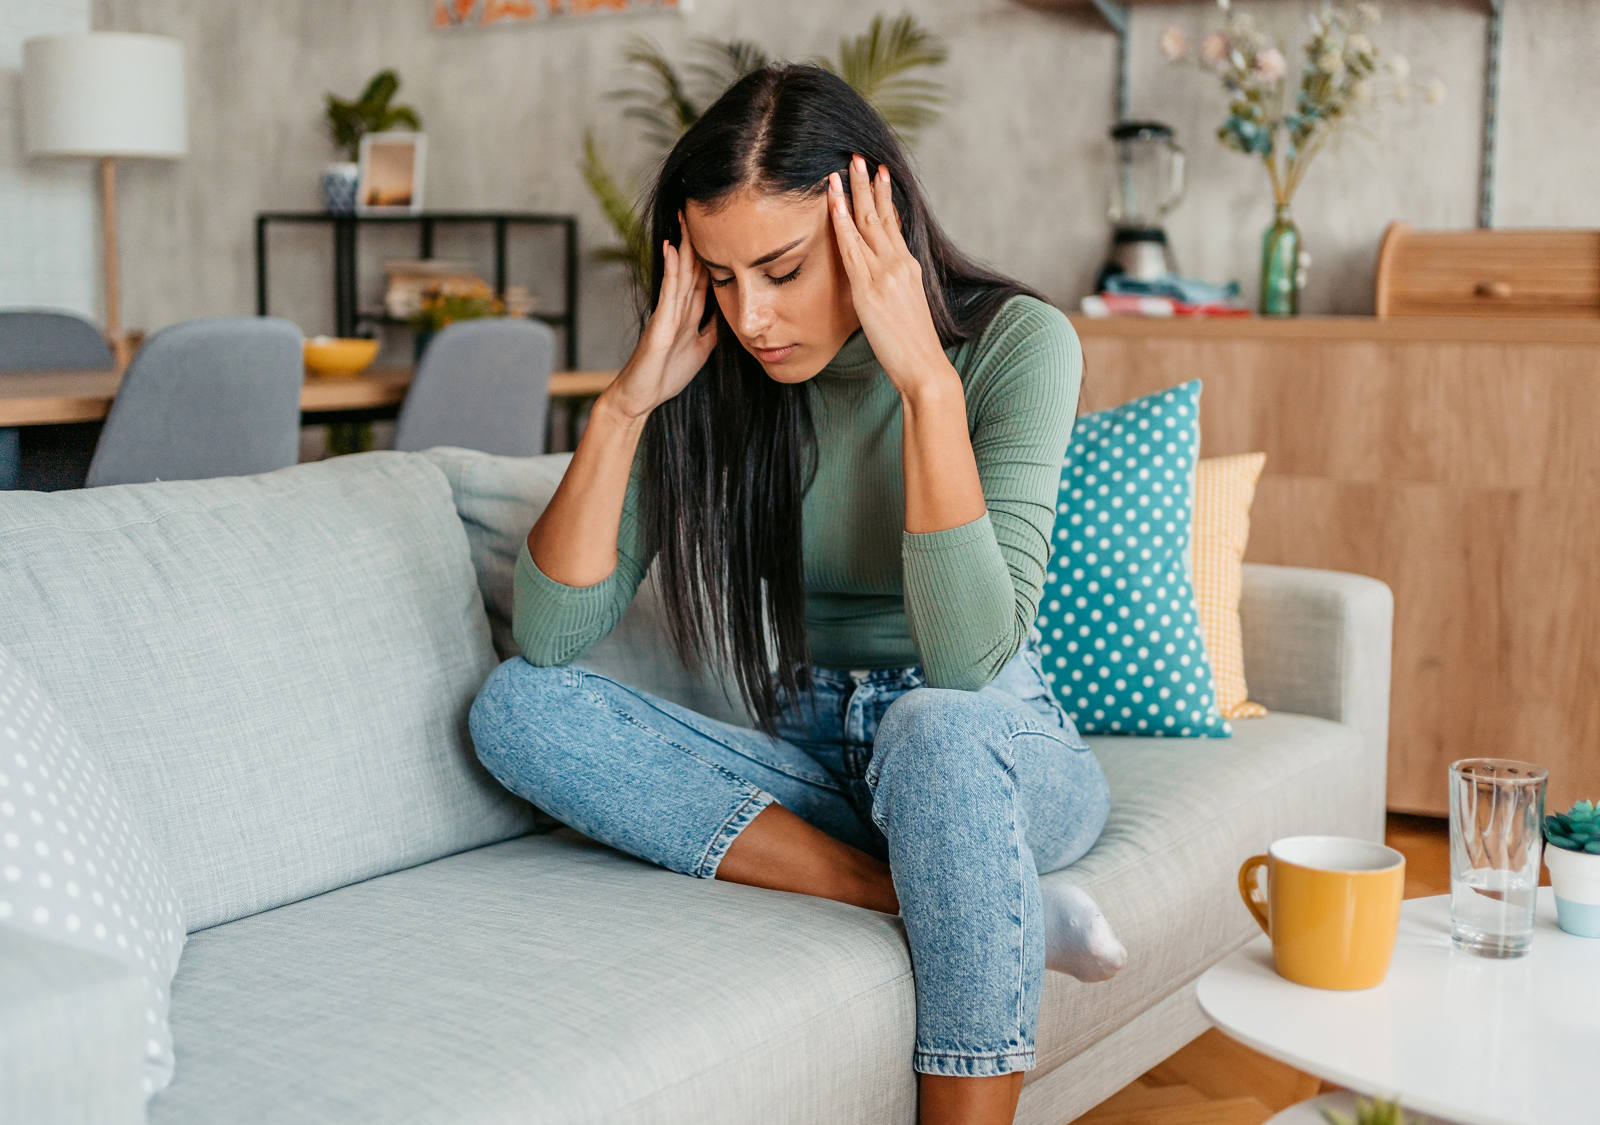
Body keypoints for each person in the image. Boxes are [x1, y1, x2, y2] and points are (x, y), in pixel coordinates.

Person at [468, 63, 1127, 1125]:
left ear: (874, 225)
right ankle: (946, 897)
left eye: (780, 267)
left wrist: (924, 383)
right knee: (514, 707)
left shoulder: (1014, 346)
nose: (753, 316)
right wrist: (627, 405)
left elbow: (966, 662)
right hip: (815, 766)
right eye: (721, 280)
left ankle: (961, 900)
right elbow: (549, 635)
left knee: (935, 726)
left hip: (991, 745)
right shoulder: (713, 375)